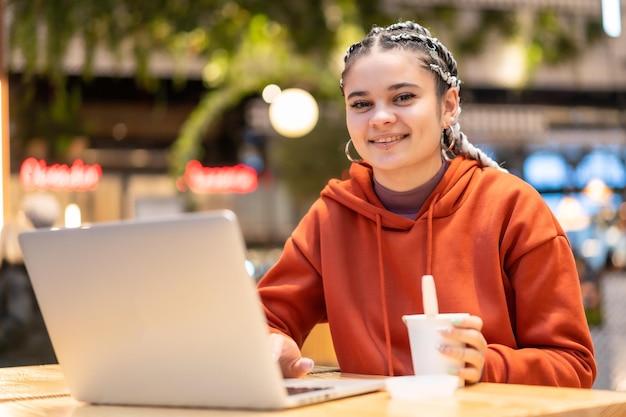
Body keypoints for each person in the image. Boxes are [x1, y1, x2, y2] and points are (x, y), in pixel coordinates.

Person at [256, 20, 596, 387]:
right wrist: (272, 344)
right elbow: (264, 320)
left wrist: (487, 365)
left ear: (448, 106)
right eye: (361, 104)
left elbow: (574, 365)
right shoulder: (332, 216)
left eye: (403, 97)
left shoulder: (512, 207)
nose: (381, 117)